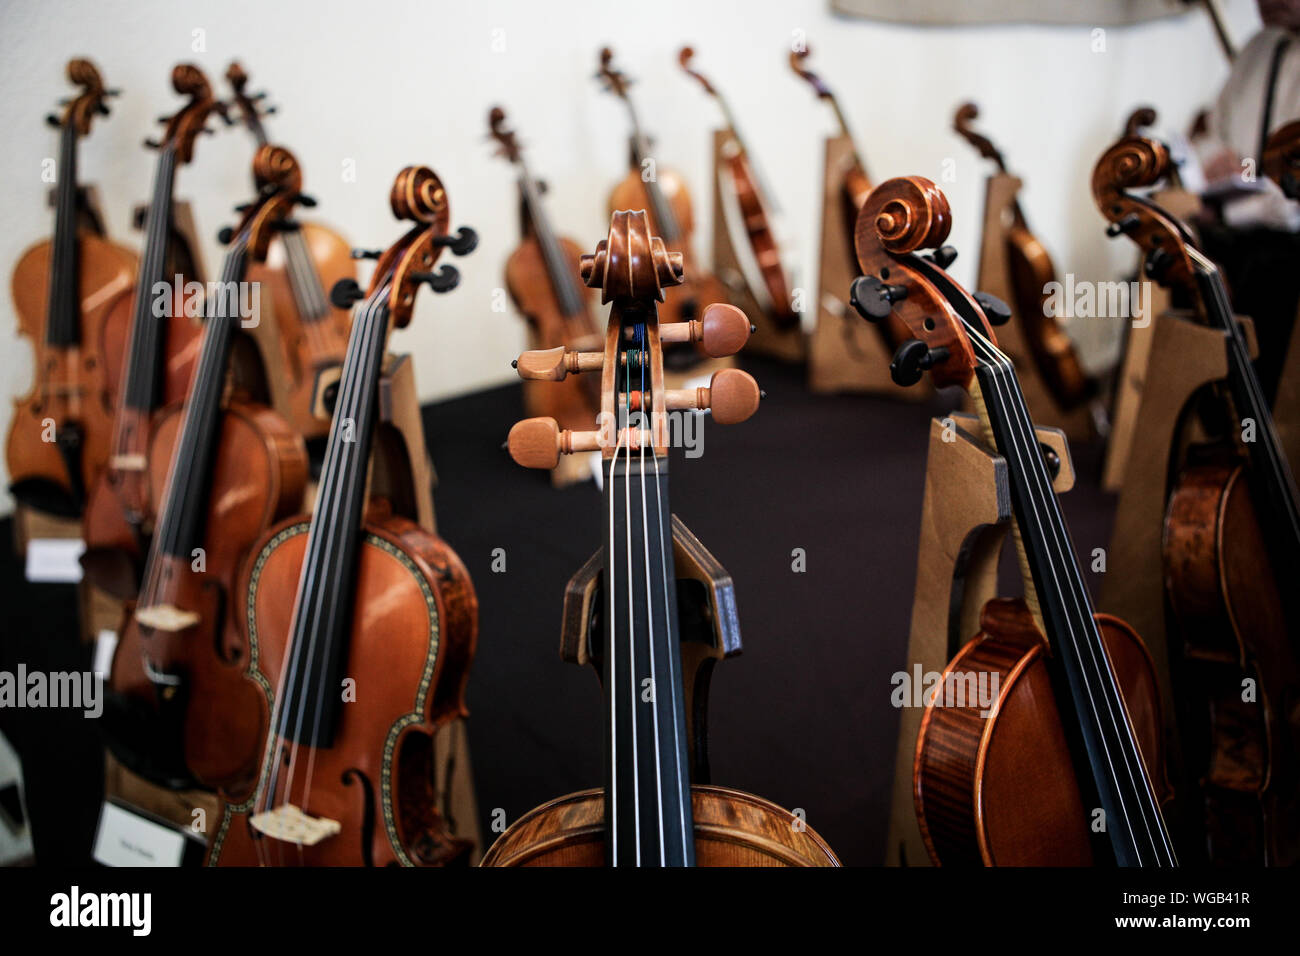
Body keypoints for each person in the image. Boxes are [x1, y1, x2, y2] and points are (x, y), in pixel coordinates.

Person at [1194, 0, 1300, 400]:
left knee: (1265, 287)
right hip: (1231, 225)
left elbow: (1292, 204)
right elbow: (1209, 133)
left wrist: (1233, 198)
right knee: (1167, 266)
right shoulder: (1258, 47)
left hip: (1282, 246)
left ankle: (1254, 427)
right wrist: (1214, 161)